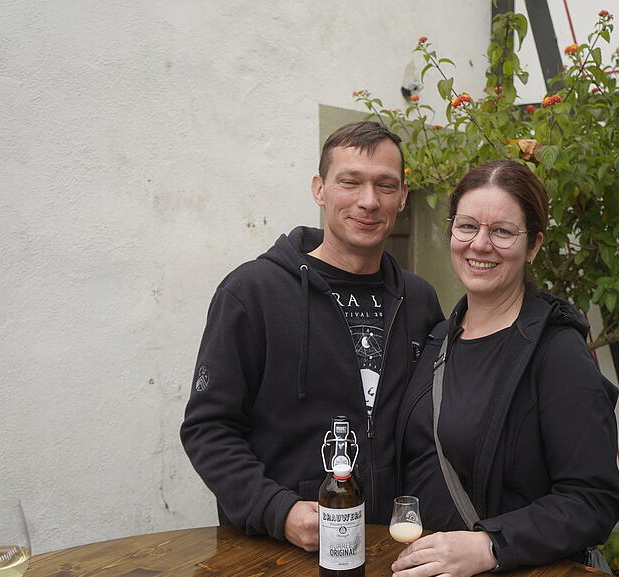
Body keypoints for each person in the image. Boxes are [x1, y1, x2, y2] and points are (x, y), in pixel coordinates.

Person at [181, 121, 444, 552]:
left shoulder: (418, 300)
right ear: (319, 189)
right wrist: (278, 511)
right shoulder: (252, 293)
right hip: (276, 552)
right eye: (350, 182)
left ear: (401, 198)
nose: (368, 201)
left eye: (385, 185)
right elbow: (208, 429)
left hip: (389, 550)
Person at [391, 160, 619, 577]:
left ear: (533, 245)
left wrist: (487, 546)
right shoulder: (440, 338)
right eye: (466, 227)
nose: (480, 245)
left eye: (502, 231)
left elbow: (593, 500)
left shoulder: (557, 354)